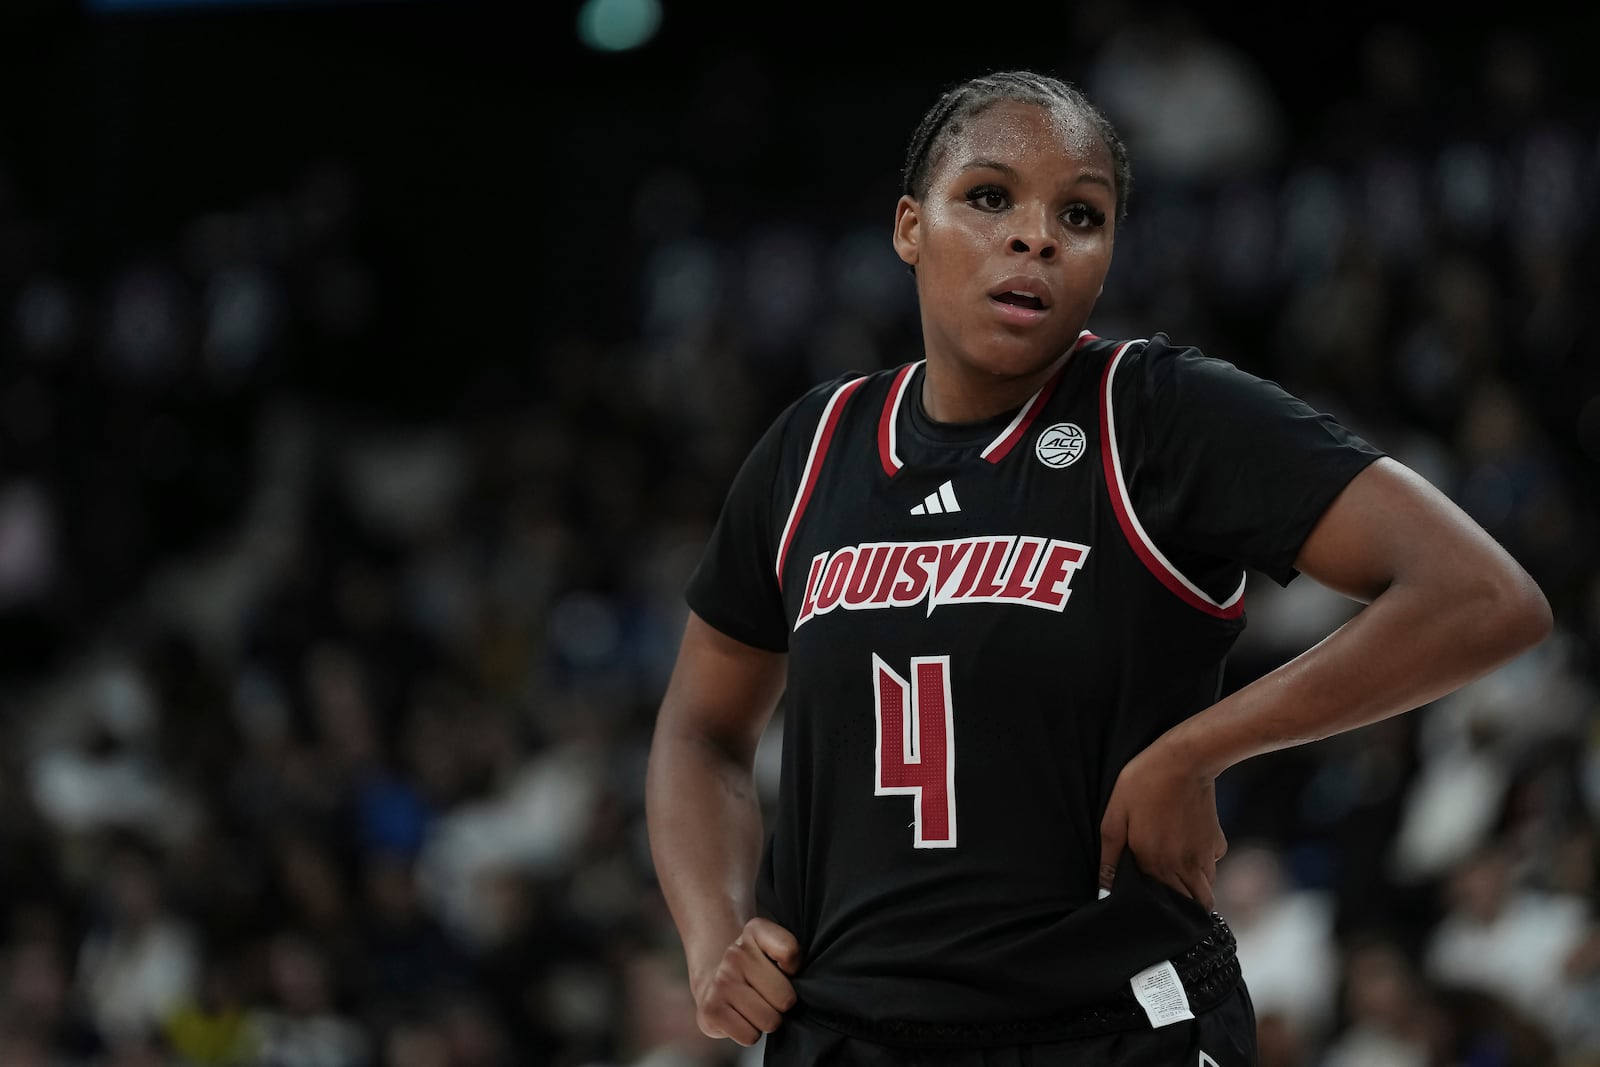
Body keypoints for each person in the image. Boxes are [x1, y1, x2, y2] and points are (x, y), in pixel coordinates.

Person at [644, 69, 1552, 1065]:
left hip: (1112, 1024)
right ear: (910, 227)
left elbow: (1481, 595)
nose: (1034, 235)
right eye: (989, 197)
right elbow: (701, 728)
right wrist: (712, 933)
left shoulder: (1156, 411)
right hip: (845, 1031)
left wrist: (1196, 748)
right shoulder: (811, 446)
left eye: (1080, 214)